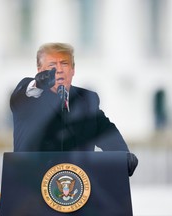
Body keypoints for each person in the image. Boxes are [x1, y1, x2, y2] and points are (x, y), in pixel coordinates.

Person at [10, 42, 138, 176]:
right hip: (30, 186)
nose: (59, 70)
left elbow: (107, 134)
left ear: (73, 70)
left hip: (78, 188)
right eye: (52, 65)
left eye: (64, 64)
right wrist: (38, 84)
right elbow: (24, 95)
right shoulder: (29, 94)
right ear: (40, 70)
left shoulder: (88, 100)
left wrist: (123, 157)